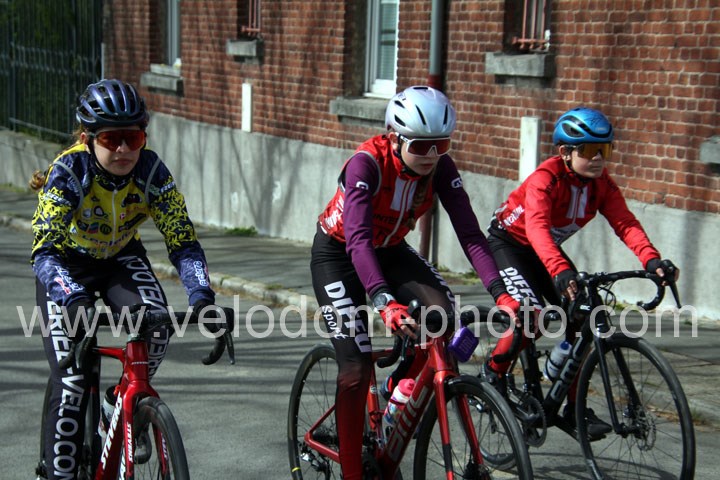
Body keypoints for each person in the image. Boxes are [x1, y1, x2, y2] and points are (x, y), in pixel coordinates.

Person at [311, 85, 520, 479]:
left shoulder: (441, 167)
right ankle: (352, 472)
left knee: (443, 315)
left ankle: (399, 388)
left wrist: (501, 293)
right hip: (339, 255)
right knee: (355, 368)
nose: (432, 155)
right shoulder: (366, 165)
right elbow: (358, 241)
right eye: (421, 146)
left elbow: (471, 235)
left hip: (390, 250)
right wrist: (384, 302)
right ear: (394, 138)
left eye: (442, 144)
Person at [30, 79, 219, 479]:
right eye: (111, 139)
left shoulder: (151, 172)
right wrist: (72, 299)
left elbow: (183, 242)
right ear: (87, 139)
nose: (123, 150)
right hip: (66, 265)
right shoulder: (69, 171)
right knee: (72, 382)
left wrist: (202, 296)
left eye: (132, 138)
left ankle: (121, 404)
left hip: (120, 258)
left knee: (157, 327)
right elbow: (44, 251)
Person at [481, 106, 679, 437]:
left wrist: (652, 261)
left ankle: (574, 407)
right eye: (589, 150)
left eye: (605, 150)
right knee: (530, 317)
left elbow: (625, 223)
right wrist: (560, 270)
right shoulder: (545, 179)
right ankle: (492, 375)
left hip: (545, 250)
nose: (599, 158)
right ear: (565, 152)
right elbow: (537, 227)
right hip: (510, 245)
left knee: (585, 314)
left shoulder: (601, 185)